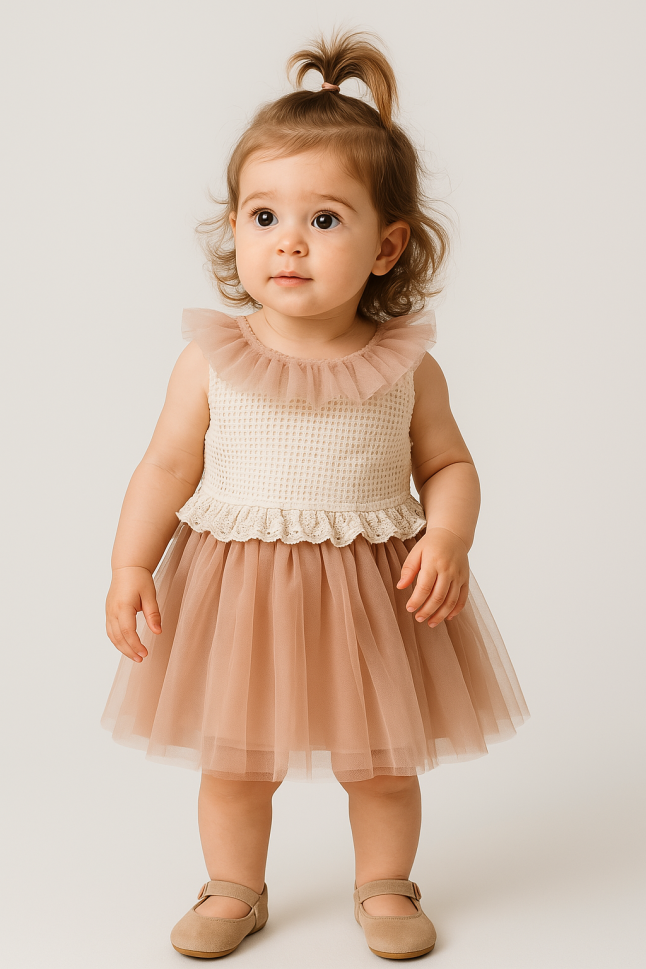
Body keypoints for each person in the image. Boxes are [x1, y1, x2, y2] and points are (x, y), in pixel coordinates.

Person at [101, 29, 529, 961]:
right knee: (234, 762)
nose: (289, 241)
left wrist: (448, 536)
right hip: (237, 594)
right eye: (264, 216)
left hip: (370, 595)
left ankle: (386, 884)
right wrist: (131, 563)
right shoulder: (212, 359)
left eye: (326, 220)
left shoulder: (405, 367)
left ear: (387, 245)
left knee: (381, 763)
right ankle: (232, 886)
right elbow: (167, 467)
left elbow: (448, 465)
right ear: (236, 228)